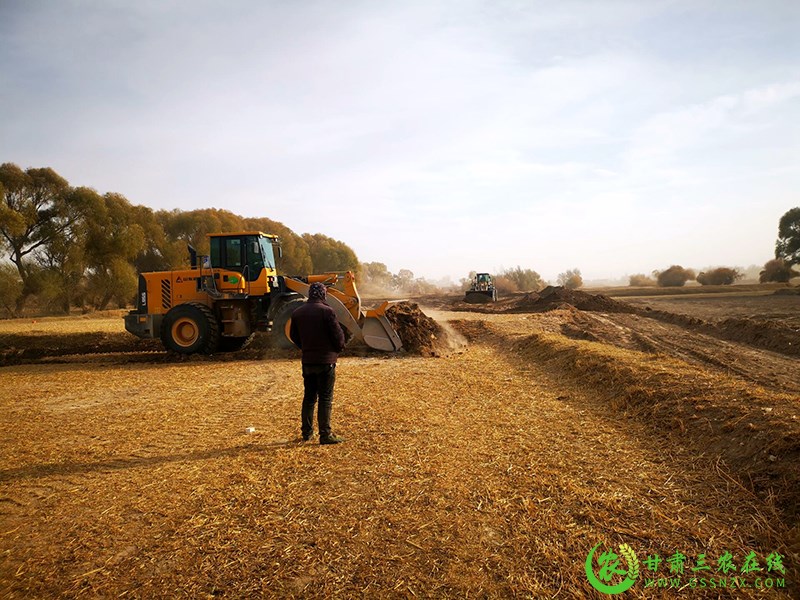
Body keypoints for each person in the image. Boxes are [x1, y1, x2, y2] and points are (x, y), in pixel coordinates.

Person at [288, 282, 347, 445]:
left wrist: (305, 347)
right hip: (326, 361)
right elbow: (338, 336)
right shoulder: (327, 312)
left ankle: (307, 433)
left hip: (308, 361)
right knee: (325, 398)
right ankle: (325, 434)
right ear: (323, 294)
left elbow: (293, 335)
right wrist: (339, 349)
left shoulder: (297, 312)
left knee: (309, 397)